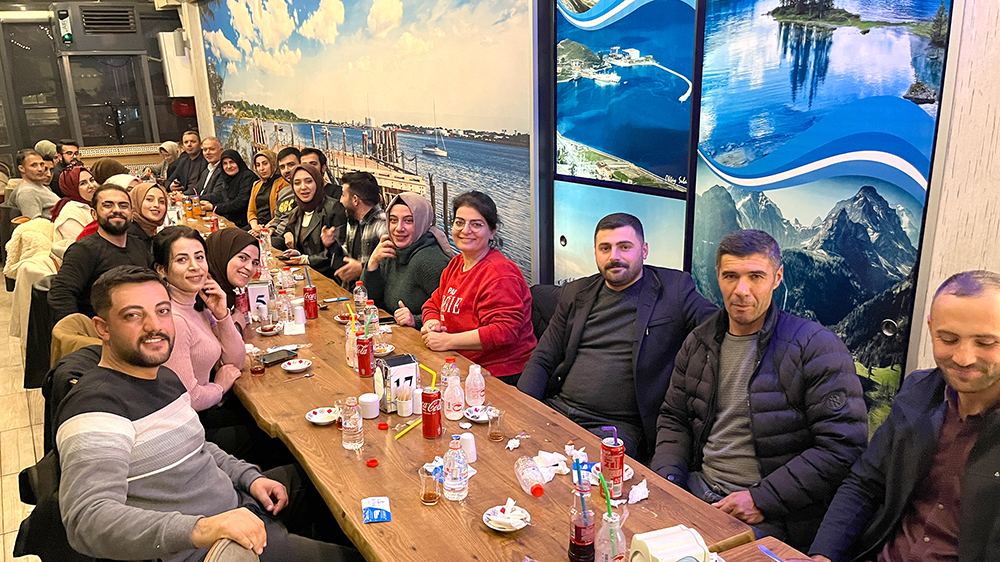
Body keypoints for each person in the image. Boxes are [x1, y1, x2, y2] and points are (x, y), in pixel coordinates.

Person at [55, 265, 364, 562]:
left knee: (335, 487)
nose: (154, 326)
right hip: (211, 549)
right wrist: (202, 529)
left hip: (238, 507)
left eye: (162, 311)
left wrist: (248, 478)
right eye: (133, 315)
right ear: (103, 328)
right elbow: (86, 520)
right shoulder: (96, 408)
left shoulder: (163, 377)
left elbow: (196, 447)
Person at [651, 229, 867, 549]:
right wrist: (668, 481)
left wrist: (761, 499)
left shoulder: (816, 347)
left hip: (770, 514)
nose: (741, 290)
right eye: (730, 276)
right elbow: (674, 418)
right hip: (697, 490)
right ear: (717, 276)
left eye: (755, 276)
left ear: (777, 278)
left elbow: (843, 446)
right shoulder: (699, 342)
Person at [799, 270, 1000, 562]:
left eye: (986, 343)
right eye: (948, 339)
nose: (963, 357)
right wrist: (823, 555)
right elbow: (865, 484)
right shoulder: (918, 392)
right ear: (931, 328)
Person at [518, 213, 718, 461]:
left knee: (581, 479)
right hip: (558, 409)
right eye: (605, 248)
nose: (614, 256)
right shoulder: (576, 292)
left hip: (616, 428)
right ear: (595, 252)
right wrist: (524, 409)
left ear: (644, 250)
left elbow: (721, 327)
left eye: (625, 247)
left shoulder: (674, 290)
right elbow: (543, 358)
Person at [420, 191, 536, 384]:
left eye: (476, 224)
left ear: (492, 231)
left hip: (500, 374)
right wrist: (432, 323)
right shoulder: (456, 264)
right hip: (460, 362)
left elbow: (503, 331)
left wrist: (448, 341)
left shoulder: (500, 274)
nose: (465, 230)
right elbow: (433, 304)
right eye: (459, 222)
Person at [154, 226, 244, 412]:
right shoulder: (174, 320)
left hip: (207, 407)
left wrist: (222, 315)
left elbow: (236, 363)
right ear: (161, 270)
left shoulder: (197, 304)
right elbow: (189, 399)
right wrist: (219, 387)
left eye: (199, 257)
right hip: (192, 420)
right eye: (182, 259)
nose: (195, 266)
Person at [48, 184, 152, 321]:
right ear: (94, 214)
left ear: (132, 214)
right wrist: (80, 330)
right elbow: (61, 294)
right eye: (108, 205)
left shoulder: (139, 245)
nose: (117, 210)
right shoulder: (84, 250)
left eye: (123, 206)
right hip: (102, 327)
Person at [362, 193, 452, 329]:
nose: (399, 228)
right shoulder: (391, 249)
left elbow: (451, 315)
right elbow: (368, 302)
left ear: (421, 222)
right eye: (393, 220)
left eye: (409, 221)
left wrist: (415, 320)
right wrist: (372, 263)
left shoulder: (430, 261)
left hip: (421, 339)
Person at [281, 166, 346, 278]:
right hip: (306, 275)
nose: (303, 187)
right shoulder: (296, 213)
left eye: (309, 181)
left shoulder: (333, 208)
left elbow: (339, 253)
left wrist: (306, 259)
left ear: (318, 182)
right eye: (297, 183)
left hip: (330, 278)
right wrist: (298, 254)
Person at [206, 227, 261, 333]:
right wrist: (238, 324)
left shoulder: (225, 292)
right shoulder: (204, 293)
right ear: (222, 255)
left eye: (255, 263)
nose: (250, 268)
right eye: (243, 258)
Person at [337, 171, 386, 285]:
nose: (340, 200)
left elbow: (392, 268)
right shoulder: (353, 221)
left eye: (343, 195)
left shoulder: (383, 225)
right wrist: (331, 245)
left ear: (355, 200)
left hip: (371, 293)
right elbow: (346, 256)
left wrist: (363, 268)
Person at [205, 149, 254, 229]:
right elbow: (219, 195)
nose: (228, 166)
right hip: (228, 220)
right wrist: (197, 199)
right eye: (225, 163)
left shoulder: (247, 177)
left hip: (243, 223)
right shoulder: (226, 177)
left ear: (238, 162)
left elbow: (240, 203)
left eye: (232, 162)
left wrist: (214, 208)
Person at [50, 166, 99, 241]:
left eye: (92, 180)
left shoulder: (97, 204)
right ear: (71, 188)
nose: (91, 185)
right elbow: (81, 244)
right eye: (83, 183)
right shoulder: (70, 213)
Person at [9, 149, 60, 220]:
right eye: (34, 165)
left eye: (42, 164)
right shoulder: (27, 192)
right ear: (22, 168)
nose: (40, 169)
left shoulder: (41, 186)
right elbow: (34, 223)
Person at [248, 149, 288, 236]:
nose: (261, 168)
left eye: (265, 163)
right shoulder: (256, 184)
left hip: (273, 228)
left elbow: (281, 214)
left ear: (273, 163)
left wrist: (264, 228)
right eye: (258, 165)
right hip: (256, 227)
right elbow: (251, 211)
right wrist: (255, 226)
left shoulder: (283, 183)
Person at [269, 147, 300, 249]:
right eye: (282, 167)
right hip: (276, 234)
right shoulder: (283, 192)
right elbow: (277, 218)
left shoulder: (305, 192)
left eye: (291, 165)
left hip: (290, 238)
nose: (286, 170)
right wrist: (270, 229)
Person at [128, 181, 168, 250]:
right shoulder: (129, 237)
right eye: (149, 199)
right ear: (136, 202)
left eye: (161, 201)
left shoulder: (149, 233)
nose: (156, 205)